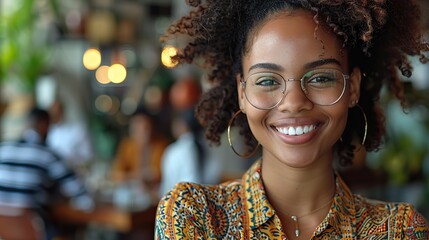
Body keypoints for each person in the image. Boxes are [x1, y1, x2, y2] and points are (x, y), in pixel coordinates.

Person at [155, 0, 429, 239]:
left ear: (353, 87)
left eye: (321, 77)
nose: (294, 102)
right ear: (242, 93)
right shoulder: (194, 216)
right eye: (267, 81)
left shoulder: (398, 230)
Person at [0, 107, 94, 239]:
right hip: (32, 225)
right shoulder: (45, 153)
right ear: (44, 125)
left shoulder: (3, 148)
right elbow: (80, 194)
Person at [159, 107, 222, 197]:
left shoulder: (174, 151)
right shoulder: (208, 148)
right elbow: (214, 177)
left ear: (182, 125)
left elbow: (166, 189)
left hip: (180, 205)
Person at [46, 100, 94, 167]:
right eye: (51, 111)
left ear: (62, 111)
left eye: (56, 111)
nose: (54, 114)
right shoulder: (47, 132)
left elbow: (88, 156)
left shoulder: (77, 130)